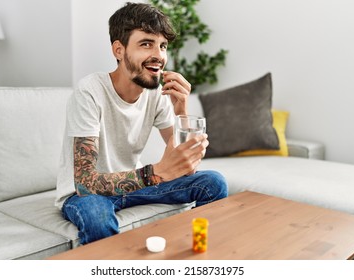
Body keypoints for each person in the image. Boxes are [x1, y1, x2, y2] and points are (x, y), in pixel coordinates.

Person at [55, 2, 228, 245]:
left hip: (133, 187)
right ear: (119, 49)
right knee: (95, 215)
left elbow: (187, 168)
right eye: (146, 43)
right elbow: (85, 184)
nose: (159, 55)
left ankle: (193, 253)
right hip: (87, 195)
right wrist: (155, 173)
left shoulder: (155, 93)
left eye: (163, 46)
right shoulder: (90, 92)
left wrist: (181, 109)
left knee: (213, 183)